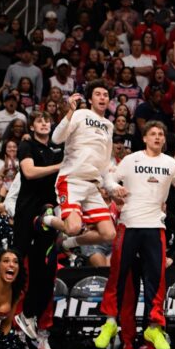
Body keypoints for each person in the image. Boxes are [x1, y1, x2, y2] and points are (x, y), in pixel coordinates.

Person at [93, 121, 175, 349]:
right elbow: (109, 179)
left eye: (161, 134)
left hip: (155, 228)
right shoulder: (131, 160)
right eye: (153, 134)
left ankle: (153, 327)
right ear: (145, 138)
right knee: (117, 275)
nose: (158, 137)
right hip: (128, 225)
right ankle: (109, 322)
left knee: (156, 280)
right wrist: (113, 189)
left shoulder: (170, 164)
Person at [41, 83, 117, 249]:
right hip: (72, 180)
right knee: (73, 227)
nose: (102, 97)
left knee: (109, 234)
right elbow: (56, 138)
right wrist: (69, 112)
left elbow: (105, 162)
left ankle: (68, 244)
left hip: (92, 185)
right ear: (90, 99)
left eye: (105, 94)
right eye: (98, 94)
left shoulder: (109, 125)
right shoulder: (80, 114)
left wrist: (112, 186)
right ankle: (45, 219)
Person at [11, 112, 63, 349]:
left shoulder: (54, 150)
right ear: (32, 126)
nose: (45, 123)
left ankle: (30, 316)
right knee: (24, 271)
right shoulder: (27, 145)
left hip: (48, 215)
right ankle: (14, 323)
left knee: (46, 271)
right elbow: (29, 172)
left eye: (47, 121)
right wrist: (59, 167)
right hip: (27, 214)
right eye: (40, 121)